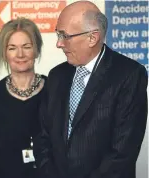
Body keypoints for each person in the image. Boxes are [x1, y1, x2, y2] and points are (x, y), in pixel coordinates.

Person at [34, 1, 148, 178]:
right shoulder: (56, 76)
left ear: (92, 38)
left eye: (65, 36)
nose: (59, 43)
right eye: (58, 34)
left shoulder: (129, 75)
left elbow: (123, 152)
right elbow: (42, 137)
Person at [0, 18, 46, 178]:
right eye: (12, 48)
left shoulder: (55, 91)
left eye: (26, 47)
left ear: (37, 49)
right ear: (4, 54)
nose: (20, 54)